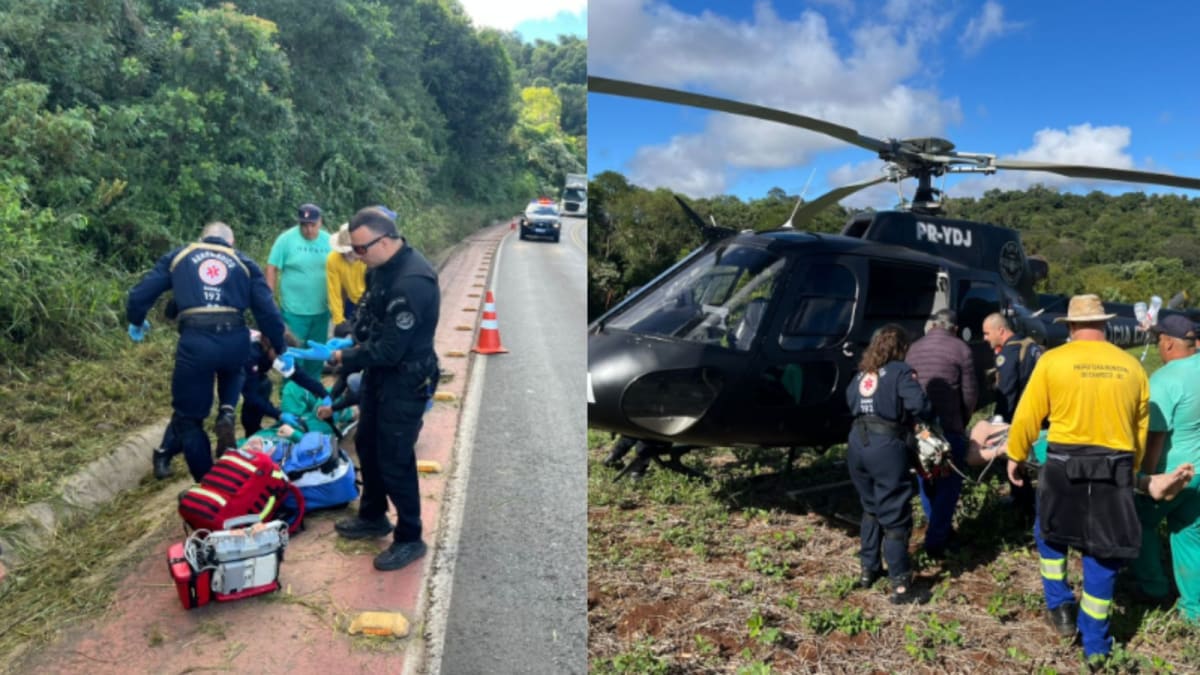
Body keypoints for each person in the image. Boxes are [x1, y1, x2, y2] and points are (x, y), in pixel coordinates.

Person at [289, 206, 440, 572]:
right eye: (353, 250)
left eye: (361, 249)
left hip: (406, 379)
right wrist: (346, 338)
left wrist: (344, 359)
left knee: (395, 458)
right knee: (367, 445)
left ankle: (410, 536)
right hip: (378, 376)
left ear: (385, 241)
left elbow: (390, 349)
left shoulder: (413, 282)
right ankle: (373, 515)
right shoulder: (379, 271)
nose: (357, 257)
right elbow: (369, 319)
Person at [1006, 294, 1149, 663]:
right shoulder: (1131, 366)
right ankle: (1097, 647)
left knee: (1050, 533)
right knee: (1104, 552)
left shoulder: (1054, 360)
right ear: (1104, 324)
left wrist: (1015, 454)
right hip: (1114, 466)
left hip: (1064, 464)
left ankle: (1060, 606)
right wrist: (1133, 471)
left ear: (1070, 326)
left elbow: (1028, 415)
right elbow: (1141, 427)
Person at [127, 222, 287, 481]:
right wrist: (279, 346)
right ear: (230, 242)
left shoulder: (180, 256)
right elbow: (267, 311)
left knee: (189, 420)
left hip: (196, 341)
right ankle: (226, 410)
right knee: (233, 371)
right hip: (235, 339)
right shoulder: (244, 263)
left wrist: (136, 319)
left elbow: (140, 295)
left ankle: (207, 482)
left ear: (202, 238)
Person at [846, 324, 933, 604]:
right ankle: (900, 584)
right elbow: (919, 404)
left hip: (857, 443)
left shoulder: (862, 373)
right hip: (886, 446)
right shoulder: (900, 371)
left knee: (870, 507)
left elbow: (850, 402)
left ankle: (868, 570)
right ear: (901, 348)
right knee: (895, 511)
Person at [1132, 314, 1200, 619]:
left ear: (1169, 343)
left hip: (1171, 474)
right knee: (1188, 535)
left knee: (1141, 524)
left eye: (1160, 340)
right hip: (1198, 472)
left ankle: (1153, 589)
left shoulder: (1165, 378)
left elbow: (1155, 434)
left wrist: (1146, 477)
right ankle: (1193, 608)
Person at [904, 309, 977, 557]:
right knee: (949, 485)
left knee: (926, 477)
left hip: (919, 429)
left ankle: (938, 527)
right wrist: (963, 421)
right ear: (954, 329)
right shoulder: (961, 349)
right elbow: (969, 394)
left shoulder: (914, 348)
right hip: (947, 427)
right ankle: (936, 540)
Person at [982, 312, 1045, 520]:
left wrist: (999, 421)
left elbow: (1006, 391)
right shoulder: (1030, 345)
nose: (985, 338)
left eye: (987, 333)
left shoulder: (1008, 353)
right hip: (1041, 413)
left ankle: (1023, 502)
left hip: (1019, 414)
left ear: (1001, 330)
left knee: (1016, 458)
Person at [266, 203, 331, 379]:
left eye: (313, 225)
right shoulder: (286, 240)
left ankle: (313, 396)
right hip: (294, 311)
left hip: (321, 310)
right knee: (293, 356)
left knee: (317, 355)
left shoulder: (329, 241)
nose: (308, 230)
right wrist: (269, 298)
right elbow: (272, 267)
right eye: (304, 225)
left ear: (320, 222)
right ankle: (291, 396)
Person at [240, 330, 329, 437]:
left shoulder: (280, 352)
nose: (281, 358)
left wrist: (325, 395)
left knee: (264, 386)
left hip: (258, 368)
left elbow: (302, 378)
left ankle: (255, 428)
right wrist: (279, 414)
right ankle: (249, 432)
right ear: (269, 346)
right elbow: (250, 395)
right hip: (232, 364)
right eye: (279, 354)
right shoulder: (252, 353)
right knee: (255, 397)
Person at [326, 222, 367, 338]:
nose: (347, 254)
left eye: (350, 250)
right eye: (344, 251)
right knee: (345, 336)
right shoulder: (333, 260)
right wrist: (339, 322)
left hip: (369, 300)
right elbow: (334, 292)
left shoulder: (368, 258)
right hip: (352, 302)